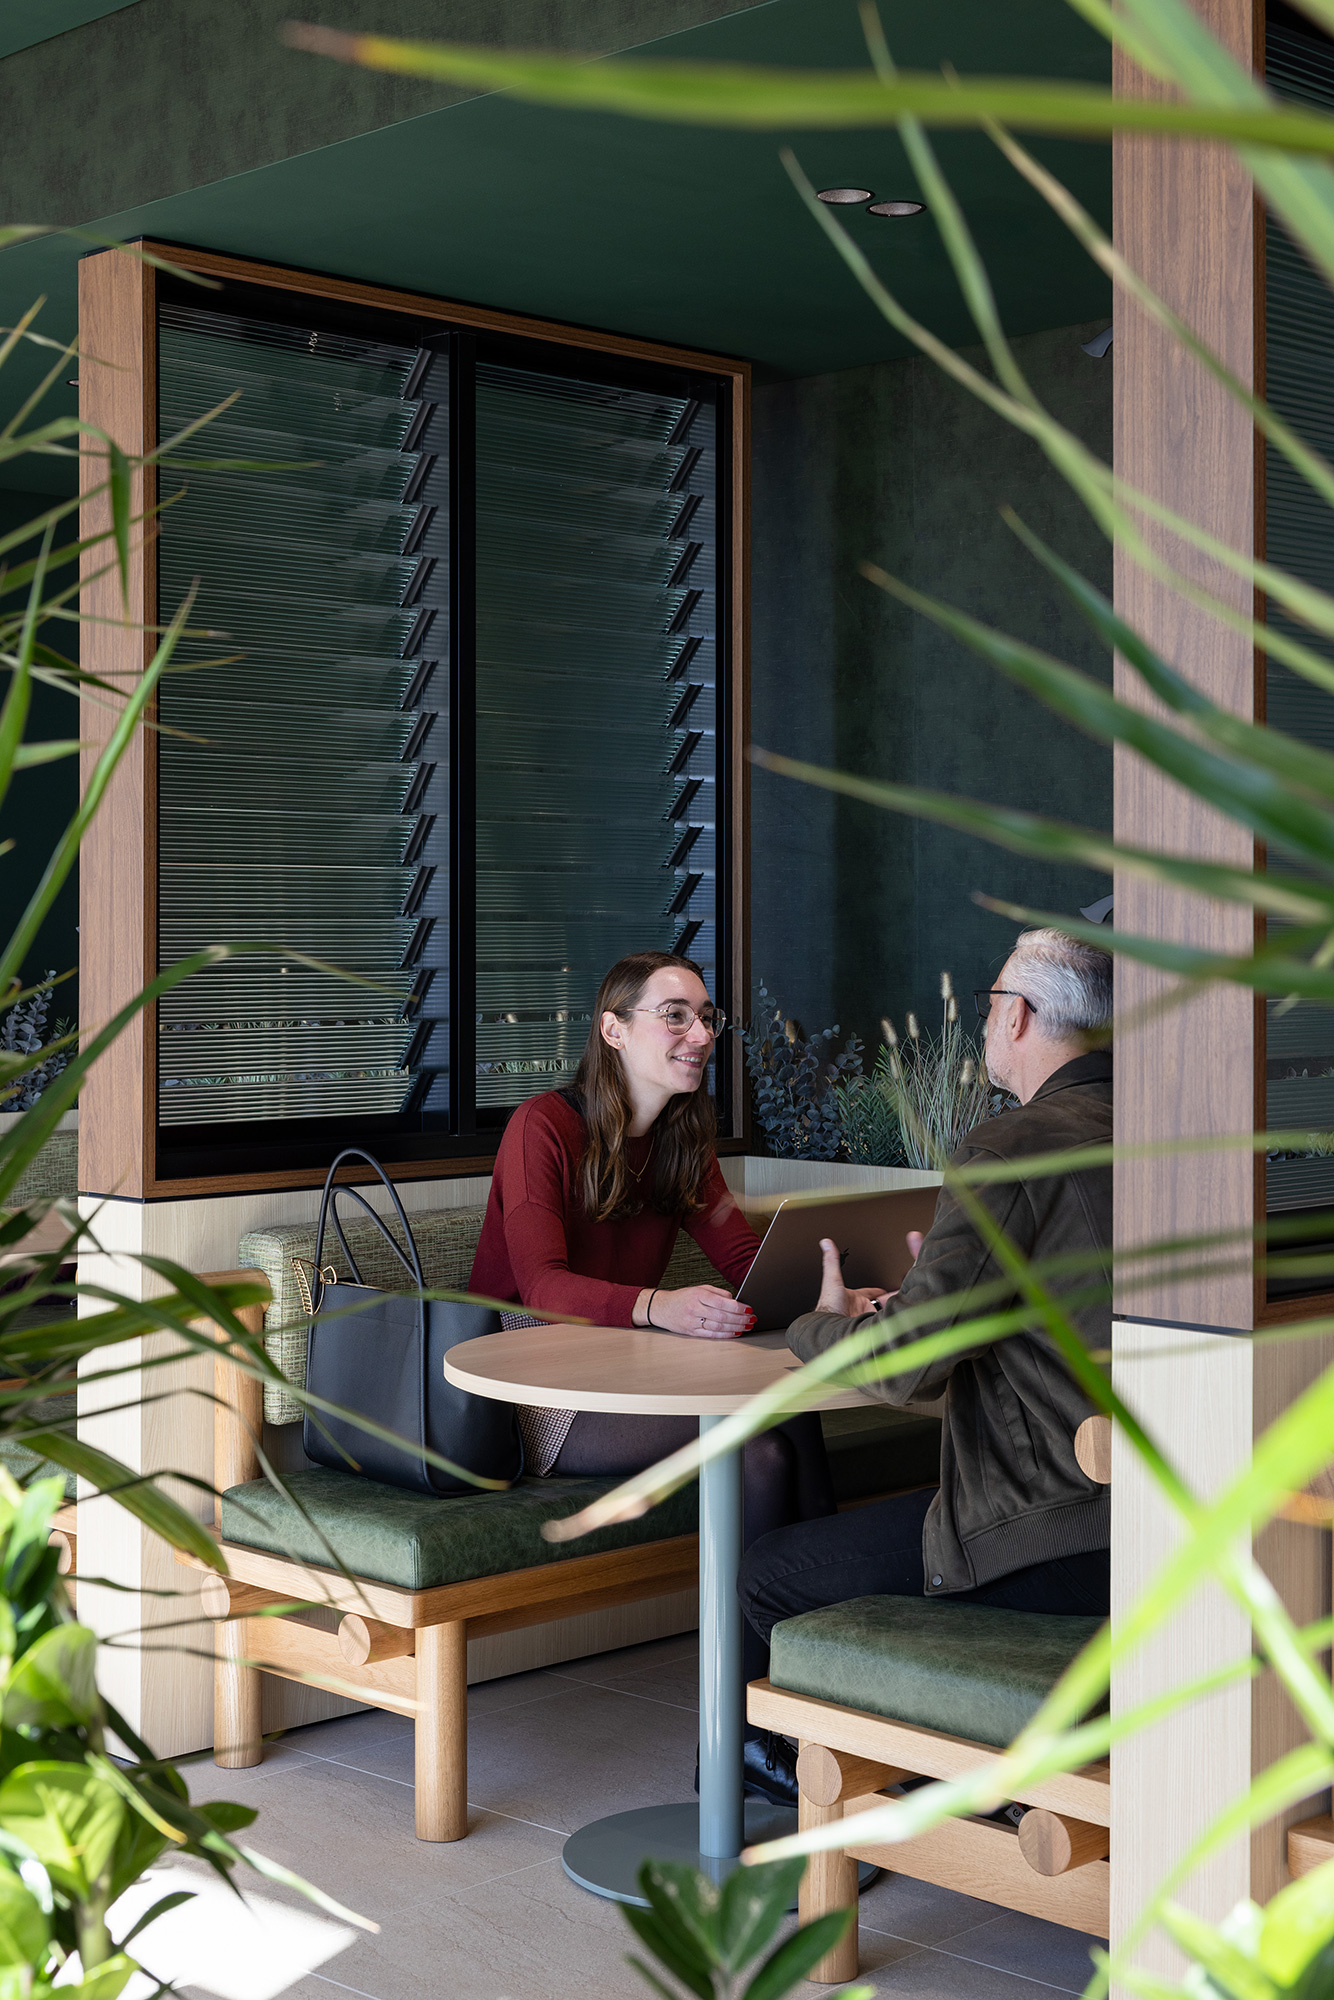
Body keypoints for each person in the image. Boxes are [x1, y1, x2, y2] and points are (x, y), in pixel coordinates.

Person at [470, 948, 838, 1804]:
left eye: (706, 1017)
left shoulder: (679, 1139)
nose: (700, 1032)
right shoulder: (543, 1127)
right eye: (675, 1014)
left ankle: (810, 1706)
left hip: (620, 1366)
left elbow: (745, 1260)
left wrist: (824, 1286)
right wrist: (657, 1308)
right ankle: (748, 1733)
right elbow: (542, 1286)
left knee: (793, 1414)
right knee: (764, 1445)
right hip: (530, 1387)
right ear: (613, 1029)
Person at [738, 927, 1114, 1658]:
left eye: (990, 1003)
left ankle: (783, 1767)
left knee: (763, 1574)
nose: (985, 1022)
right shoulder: (1159, 1132)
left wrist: (815, 1325)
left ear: (1016, 1015)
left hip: (1057, 1531)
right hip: (1163, 1516)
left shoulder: (1008, 1149)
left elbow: (910, 1366)